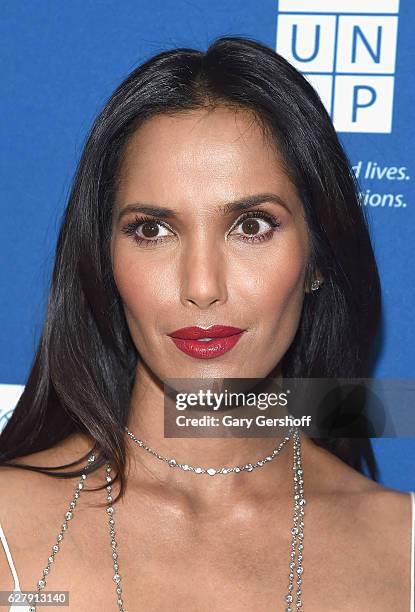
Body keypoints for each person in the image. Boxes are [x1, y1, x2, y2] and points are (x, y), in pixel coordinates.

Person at [0, 35, 413, 611]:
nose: (201, 286)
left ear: (319, 257)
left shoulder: (403, 547)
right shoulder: (7, 530)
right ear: (104, 262)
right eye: (152, 229)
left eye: (250, 226)